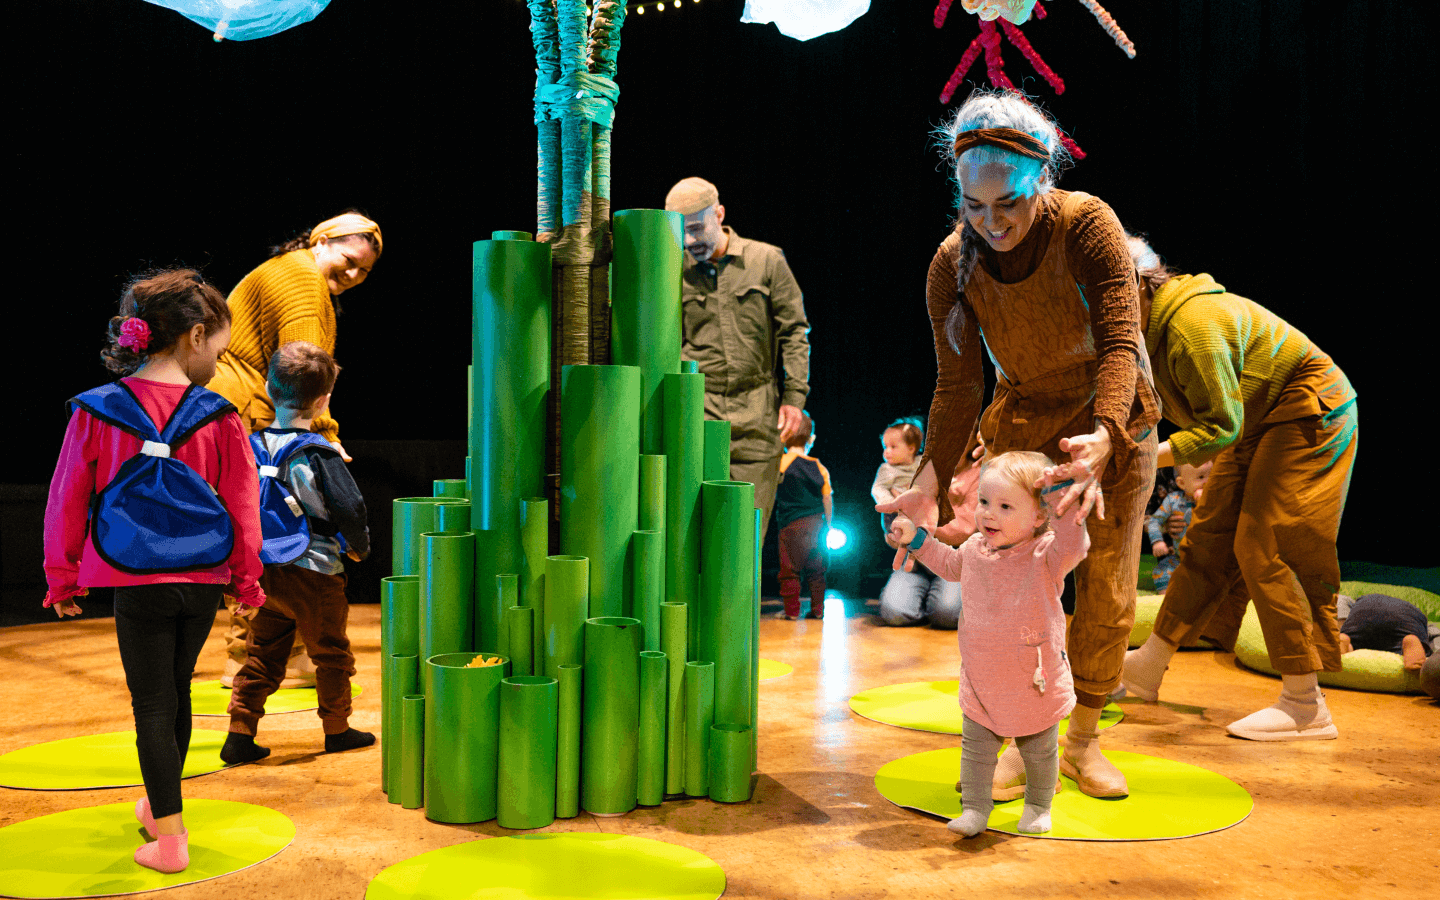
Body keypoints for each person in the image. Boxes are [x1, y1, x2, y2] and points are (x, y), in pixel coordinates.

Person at [877, 89, 1159, 799]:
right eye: (973, 206)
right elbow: (956, 387)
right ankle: (1018, 733)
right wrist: (930, 481)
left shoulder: (1086, 225)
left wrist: (1105, 434)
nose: (991, 222)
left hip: (1113, 420)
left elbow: (1122, 340)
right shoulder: (953, 264)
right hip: (1027, 425)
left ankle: (1082, 741)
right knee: (1007, 591)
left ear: (1041, 181)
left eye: (1008, 203)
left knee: (1106, 591)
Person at [43, 270, 265, 874]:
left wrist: (62, 577)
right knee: (179, 692)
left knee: (151, 706)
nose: (219, 364)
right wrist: (247, 579)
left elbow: (67, 496)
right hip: (202, 580)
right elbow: (244, 505)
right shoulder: (220, 414)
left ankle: (170, 841)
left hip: (134, 580)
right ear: (195, 336)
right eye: (219, 350)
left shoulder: (97, 409)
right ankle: (160, 805)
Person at [1119, 234, 1359, 741]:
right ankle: (1146, 667)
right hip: (1257, 417)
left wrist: (1144, 458)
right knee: (1207, 538)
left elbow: (1218, 429)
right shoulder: (1144, 333)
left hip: (1308, 406)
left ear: (1139, 285)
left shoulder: (1191, 327)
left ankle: (1304, 703)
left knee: (1268, 542)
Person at [207, 211, 382, 688]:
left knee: (270, 534)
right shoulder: (305, 284)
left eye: (364, 271)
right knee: (268, 534)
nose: (353, 275)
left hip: (237, 409)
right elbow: (305, 369)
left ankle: (281, 652)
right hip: (252, 414)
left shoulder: (285, 270)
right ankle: (245, 656)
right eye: (349, 260)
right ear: (322, 241)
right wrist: (324, 436)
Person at [904, 451, 1088, 836]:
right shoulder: (974, 550)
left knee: (1039, 753)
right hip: (982, 678)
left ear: (1039, 516)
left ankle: (1038, 805)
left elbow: (1075, 545)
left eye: (1005, 506)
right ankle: (974, 809)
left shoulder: (1046, 554)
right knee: (976, 751)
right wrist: (918, 540)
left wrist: (1064, 503)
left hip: (1033, 680)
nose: (989, 514)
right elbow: (947, 563)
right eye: (985, 502)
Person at [221, 342, 374, 763]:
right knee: (331, 653)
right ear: (324, 401)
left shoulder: (249, 446)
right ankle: (337, 729)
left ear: (268, 388)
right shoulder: (321, 454)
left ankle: (239, 732)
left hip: (264, 571)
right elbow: (350, 507)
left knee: (262, 655)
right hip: (314, 572)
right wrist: (359, 547)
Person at [666, 177, 811, 545]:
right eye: (681, 232)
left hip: (756, 420)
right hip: (699, 418)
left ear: (720, 213)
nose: (690, 241)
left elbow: (794, 332)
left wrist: (795, 398)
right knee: (695, 543)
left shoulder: (766, 260)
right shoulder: (672, 272)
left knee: (743, 544)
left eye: (697, 228)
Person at [877, 466, 974, 629]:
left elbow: (964, 529)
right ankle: (925, 600)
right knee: (894, 613)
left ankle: (939, 600)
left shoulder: (979, 469)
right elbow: (892, 521)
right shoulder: (915, 468)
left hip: (952, 562)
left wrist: (915, 527)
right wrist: (893, 531)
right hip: (915, 562)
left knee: (947, 614)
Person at [773, 413, 831, 620]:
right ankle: (818, 610)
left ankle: (791, 611)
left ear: (783, 437)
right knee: (816, 569)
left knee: (790, 570)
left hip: (791, 525)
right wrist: (829, 525)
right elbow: (827, 499)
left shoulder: (781, 463)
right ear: (811, 439)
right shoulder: (820, 467)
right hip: (817, 525)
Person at [1145, 461, 1211, 592]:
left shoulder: (1216, 500)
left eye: (1212, 476)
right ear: (1182, 483)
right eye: (1201, 477)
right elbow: (1154, 521)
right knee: (1162, 573)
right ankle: (1166, 599)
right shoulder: (1173, 500)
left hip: (1209, 559)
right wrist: (1157, 541)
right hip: (1179, 558)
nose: (1207, 482)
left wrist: (1205, 505)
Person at [1337, 594, 1435, 671]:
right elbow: (1435, 636)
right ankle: (1411, 640)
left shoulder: (1356, 600)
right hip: (1407, 619)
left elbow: (1339, 605)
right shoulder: (1415, 611)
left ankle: (1346, 641)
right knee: (1419, 641)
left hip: (1363, 609)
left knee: (1354, 640)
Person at [871, 417, 924, 538]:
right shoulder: (887, 469)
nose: (887, 451)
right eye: (885, 447)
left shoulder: (922, 463)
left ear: (911, 448)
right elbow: (878, 488)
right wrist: (890, 503)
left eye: (893, 447)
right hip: (895, 513)